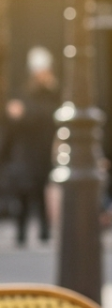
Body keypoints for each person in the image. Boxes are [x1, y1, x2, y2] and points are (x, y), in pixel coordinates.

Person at [0, 47, 58, 245]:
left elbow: (48, 117)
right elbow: (13, 121)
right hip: (25, 152)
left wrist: (23, 113)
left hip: (41, 150)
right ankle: (22, 234)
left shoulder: (51, 93)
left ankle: (43, 231)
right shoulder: (25, 91)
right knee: (23, 193)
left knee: (40, 192)